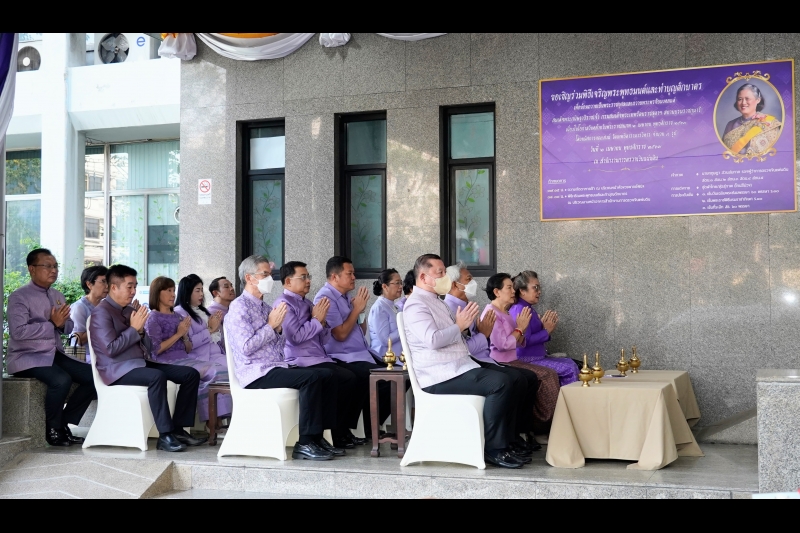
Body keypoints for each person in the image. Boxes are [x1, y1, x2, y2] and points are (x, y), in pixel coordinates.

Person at [402, 253, 526, 469]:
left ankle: (508, 440)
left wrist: (465, 327)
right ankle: (493, 448)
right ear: (423, 277)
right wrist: (459, 325)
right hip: (439, 375)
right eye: (439, 273)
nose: (445, 278)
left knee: (515, 377)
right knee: (500, 383)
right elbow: (432, 340)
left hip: (459, 365)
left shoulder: (436, 302)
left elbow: (455, 339)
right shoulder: (415, 305)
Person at [226, 255, 342, 460]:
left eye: (270, 274)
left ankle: (317, 437)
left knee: (326, 375)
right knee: (312, 377)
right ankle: (305, 442)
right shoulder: (239, 307)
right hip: (255, 372)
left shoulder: (265, 307)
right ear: (249, 278)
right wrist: (271, 326)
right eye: (265, 274)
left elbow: (279, 345)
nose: (269, 279)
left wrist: (277, 329)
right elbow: (245, 348)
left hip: (275, 366)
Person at [89, 264, 206, 452]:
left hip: (140, 363)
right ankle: (165, 435)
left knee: (190, 374)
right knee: (155, 377)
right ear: (113, 287)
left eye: (135, 286)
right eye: (129, 286)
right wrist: (134, 329)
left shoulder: (128, 311)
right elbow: (110, 350)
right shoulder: (101, 313)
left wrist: (141, 332)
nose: (134, 291)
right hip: (116, 370)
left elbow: (150, 348)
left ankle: (178, 429)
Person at [444, 262, 539, 454]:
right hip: (465, 364)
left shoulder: (466, 307)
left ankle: (513, 436)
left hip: (481, 359)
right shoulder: (449, 309)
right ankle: (497, 445)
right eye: (468, 279)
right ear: (454, 284)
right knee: (510, 380)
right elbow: (464, 349)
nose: (473, 283)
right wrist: (484, 335)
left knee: (527, 378)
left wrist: (519, 330)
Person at [7, 248, 96, 446]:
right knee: (61, 380)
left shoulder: (57, 295)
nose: (53, 270)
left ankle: (64, 423)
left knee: (92, 377)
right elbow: (18, 332)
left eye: (55, 266)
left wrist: (63, 323)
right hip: (26, 356)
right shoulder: (19, 297)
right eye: (47, 266)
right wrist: (52, 324)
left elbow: (68, 328)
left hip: (53, 353)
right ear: (32, 269)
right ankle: (53, 429)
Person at [272, 261, 362, 450]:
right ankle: (333, 434)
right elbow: (295, 337)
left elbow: (321, 335)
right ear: (288, 281)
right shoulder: (284, 304)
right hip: (300, 360)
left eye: (309, 277)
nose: (308, 281)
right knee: (343, 378)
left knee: (353, 377)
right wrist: (316, 321)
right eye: (303, 277)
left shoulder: (307, 302)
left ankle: (337, 431)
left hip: (319, 357)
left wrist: (324, 325)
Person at [313, 256, 391, 442]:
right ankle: (348, 430)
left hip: (361, 353)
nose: (354, 277)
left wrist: (360, 311)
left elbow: (359, 330)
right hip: (341, 356)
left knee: (398, 375)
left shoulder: (345, 297)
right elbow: (339, 334)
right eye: (349, 273)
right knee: (364, 377)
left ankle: (373, 425)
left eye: (353, 273)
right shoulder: (325, 299)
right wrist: (356, 310)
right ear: (334, 277)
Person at [485, 273, 561, 438]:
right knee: (546, 375)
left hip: (514, 360)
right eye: (509, 288)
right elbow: (502, 345)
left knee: (543, 376)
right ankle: (541, 425)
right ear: (497, 292)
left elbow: (520, 342)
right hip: (502, 362)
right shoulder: (491, 312)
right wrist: (520, 329)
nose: (514, 291)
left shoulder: (504, 312)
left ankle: (530, 428)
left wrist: (525, 329)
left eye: (513, 287)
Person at [166, 274, 232, 423]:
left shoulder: (204, 311)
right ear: (187, 291)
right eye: (197, 290)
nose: (202, 294)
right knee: (224, 371)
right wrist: (209, 330)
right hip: (198, 357)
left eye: (202, 290)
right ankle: (214, 418)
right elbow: (188, 343)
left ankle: (228, 416)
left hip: (215, 354)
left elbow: (217, 337)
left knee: (238, 369)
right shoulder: (180, 313)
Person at [510, 270, 578, 387]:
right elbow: (525, 341)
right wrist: (546, 331)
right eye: (535, 288)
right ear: (522, 291)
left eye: (539, 288)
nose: (539, 292)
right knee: (569, 368)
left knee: (571, 363)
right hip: (527, 359)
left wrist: (542, 326)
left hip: (537, 357)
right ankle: (566, 404)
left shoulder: (527, 307)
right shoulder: (521, 309)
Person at [722, 83, 782, 155]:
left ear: (758, 100)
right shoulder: (730, 124)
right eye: (740, 99)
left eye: (747, 99)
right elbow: (724, 152)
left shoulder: (769, 122)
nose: (743, 103)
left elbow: (777, 151)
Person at [69, 265, 109, 362]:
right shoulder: (79, 307)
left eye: (108, 281)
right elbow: (78, 340)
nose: (107, 286)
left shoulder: (105, 305)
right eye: (103, 281)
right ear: (89, 284)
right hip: (85, 358)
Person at [367, 268, 405, 362]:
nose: (400, 286)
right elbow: (385, 340)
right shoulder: (379, 308)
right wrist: (405, 328)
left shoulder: (396, 307)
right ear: (385, 286)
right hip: (385, 360)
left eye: (401, 283)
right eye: (397, 283)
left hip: (399, 358)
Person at [208, 276, 235, 354]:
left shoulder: (234, 309)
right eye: (226, 286)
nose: (232, 289)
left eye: (231, 285)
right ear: (216, 293)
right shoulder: (210, 313)